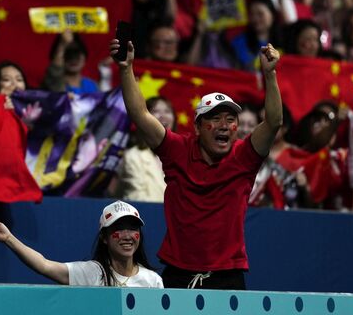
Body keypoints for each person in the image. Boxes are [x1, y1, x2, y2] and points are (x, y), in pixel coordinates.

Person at [110, 38, 283, 290]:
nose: (224, 125)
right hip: (177, 275)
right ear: (198, 127)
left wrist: (270, 74)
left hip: (228, 276)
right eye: (214, 118)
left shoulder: (245, 156)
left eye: (230, 119)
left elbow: (273, 122)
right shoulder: (177, 150)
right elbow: (140, 114)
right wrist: (126, 69)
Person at [0, 200, 163, 288]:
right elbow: (44, 265)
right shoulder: (91, 273)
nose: (127, 236)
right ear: (104, 237)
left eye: (133, 229)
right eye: (118, 229)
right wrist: (9, 238)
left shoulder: (153, 281)